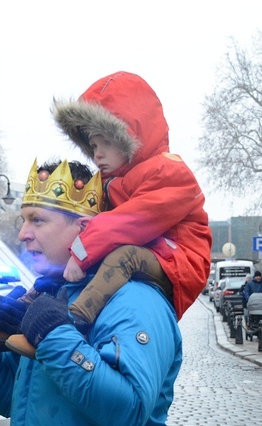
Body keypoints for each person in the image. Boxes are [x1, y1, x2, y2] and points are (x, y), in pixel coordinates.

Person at [0, 158, 182, 426]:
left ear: (83, 229)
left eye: (38, 220)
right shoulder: (52, 294)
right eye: (23, 220)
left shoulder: (136, 301)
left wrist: (53, 335)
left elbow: (128, 411)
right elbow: (18, 404)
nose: (23, 234)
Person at [51, 71, 212, 329]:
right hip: (152, 250)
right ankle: (33, 305)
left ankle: (73, 321)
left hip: (180, 259)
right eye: (93, 146)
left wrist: (80, 252)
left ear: (130, 138)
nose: (98, 154)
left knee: (125, 257)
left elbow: (130, 223)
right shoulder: (109, 181)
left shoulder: (170, 172)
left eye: (106, 142)